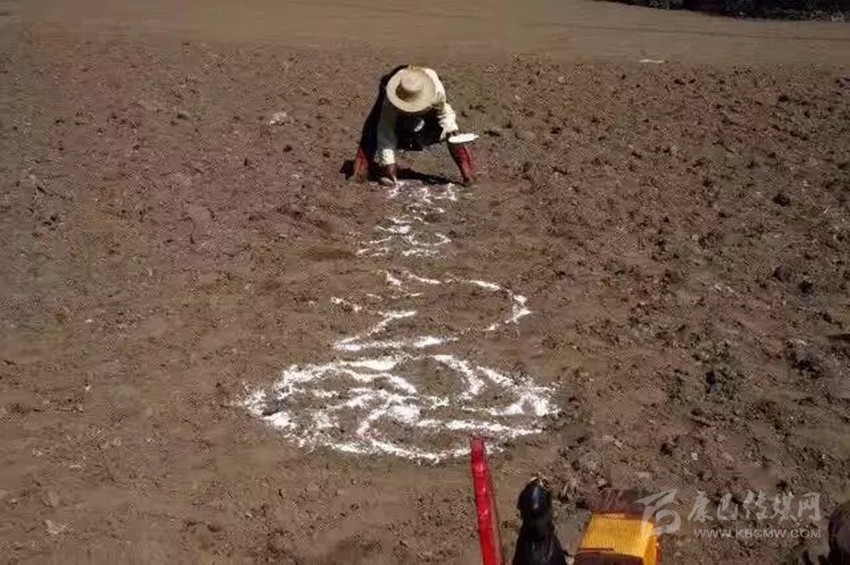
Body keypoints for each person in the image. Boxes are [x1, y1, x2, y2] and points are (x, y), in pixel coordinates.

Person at [351, 65, 476, 186]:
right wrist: (388, 163)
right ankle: (361, 170)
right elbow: (385, 130)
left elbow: (445, 114)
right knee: (373, 127)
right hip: (395, 104)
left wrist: (451, 130)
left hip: (429, 105)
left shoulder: (436, 91)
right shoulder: (391, 97)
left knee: (452, 134)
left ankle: (467, 171)